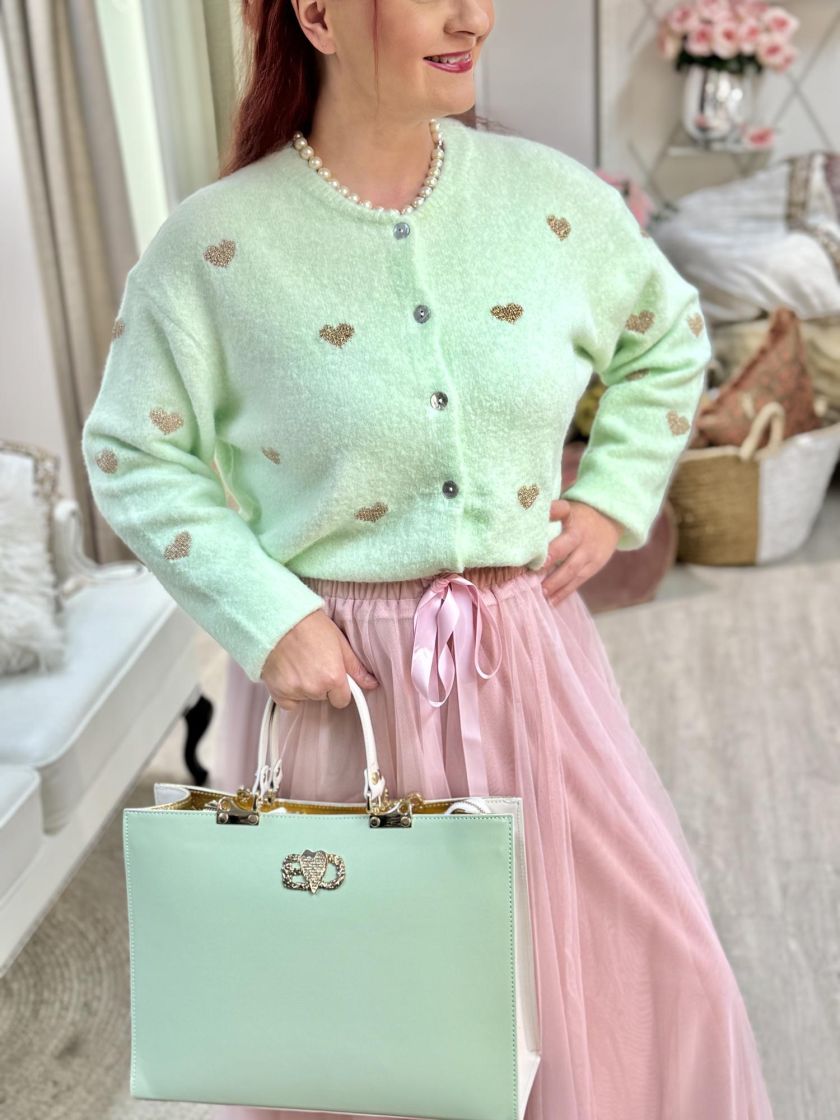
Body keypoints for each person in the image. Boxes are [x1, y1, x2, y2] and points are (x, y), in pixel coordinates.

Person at [81, 0, 776, 1117]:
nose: (474, 16)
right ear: (318, 14)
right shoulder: (215, 248)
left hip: (528, 666)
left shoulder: (549, 201)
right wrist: (267, 615)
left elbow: (668, 334)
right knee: (377, 1020)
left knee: (652, 971)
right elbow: (131, 452)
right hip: (339, 691)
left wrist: (611, 495)